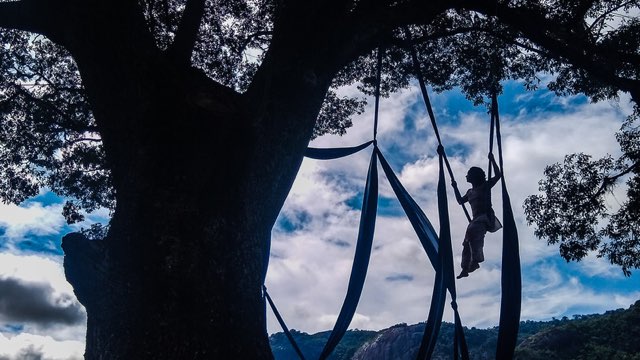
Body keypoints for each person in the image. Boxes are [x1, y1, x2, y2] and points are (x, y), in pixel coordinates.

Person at [453, 153, 502, 279]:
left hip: (485, 217)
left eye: (468, 174)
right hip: (476, 219)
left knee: (472, 231)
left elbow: (498, 175)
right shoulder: (470, 192)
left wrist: (492, 160)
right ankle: (465, 267)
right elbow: (459, 201)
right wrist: (455, 187)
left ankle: (475, 261)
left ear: (474, 176)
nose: (466, 176)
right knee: (467, 241)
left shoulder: (484, 186)